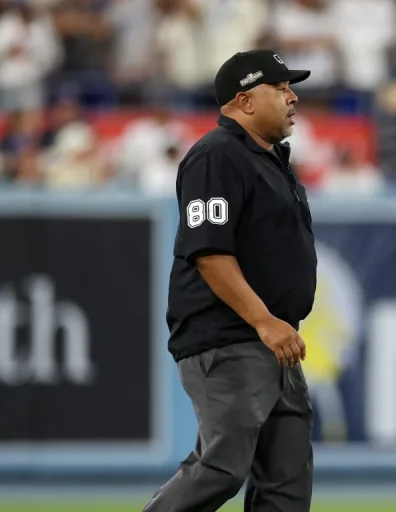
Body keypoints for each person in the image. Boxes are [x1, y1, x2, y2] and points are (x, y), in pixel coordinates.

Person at [144, 49, 318, 512]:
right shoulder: (216, 155)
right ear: (244, 101)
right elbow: (210, 253)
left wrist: (274, 327)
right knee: (221, 467)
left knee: (285, 487)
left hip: (275, 341)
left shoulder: (271, 160)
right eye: (280, 88)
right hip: (231, 338)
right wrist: (264, 321)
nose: (292, 97)